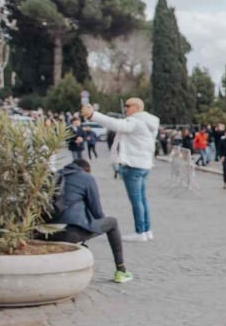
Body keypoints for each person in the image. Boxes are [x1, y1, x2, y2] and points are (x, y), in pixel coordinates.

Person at [82, 98, 160, 241]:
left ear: (137, 108)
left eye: (128, 106)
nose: (125, 109)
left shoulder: (136, 122)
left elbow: (114, 124)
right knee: (142, 200)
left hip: (133, 165)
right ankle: (147, 230)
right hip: (144, 164)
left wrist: (93, 114)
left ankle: (140, 232)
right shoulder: (149, 122)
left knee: (137, 201)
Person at [48, 158, 133, 283]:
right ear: (87, 170)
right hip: (69, 232)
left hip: (44, 232)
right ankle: (121, 270)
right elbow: (97, 212)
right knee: (112, 222)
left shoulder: (53, 176)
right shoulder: (86, 178)